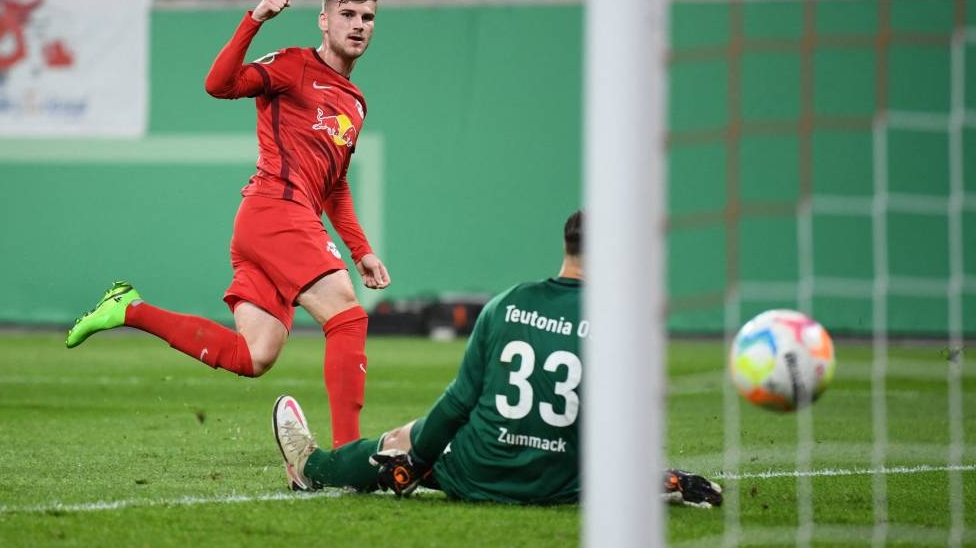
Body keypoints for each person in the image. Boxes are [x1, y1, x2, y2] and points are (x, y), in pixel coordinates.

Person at [66, 0, 389, 448]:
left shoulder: (356, 102)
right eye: (347, 15)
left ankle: (128, 310)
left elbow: (334, 183)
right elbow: (218, 84)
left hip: (274, 222)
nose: (358, 26)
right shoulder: (293, 65)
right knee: (347, 316)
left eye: (367, 18)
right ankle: (348, 452)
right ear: (324, 20)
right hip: (276, 210)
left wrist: (361, 250)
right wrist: (253, 20)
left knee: (253, 356)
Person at [271, 210, 723, 508]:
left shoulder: (507, 303)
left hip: (478, 472)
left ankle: (309, 466)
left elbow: (456, 406)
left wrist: (416, 463)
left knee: (400, 438)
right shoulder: (623, 322)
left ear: (567, 247)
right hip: (565, 487)